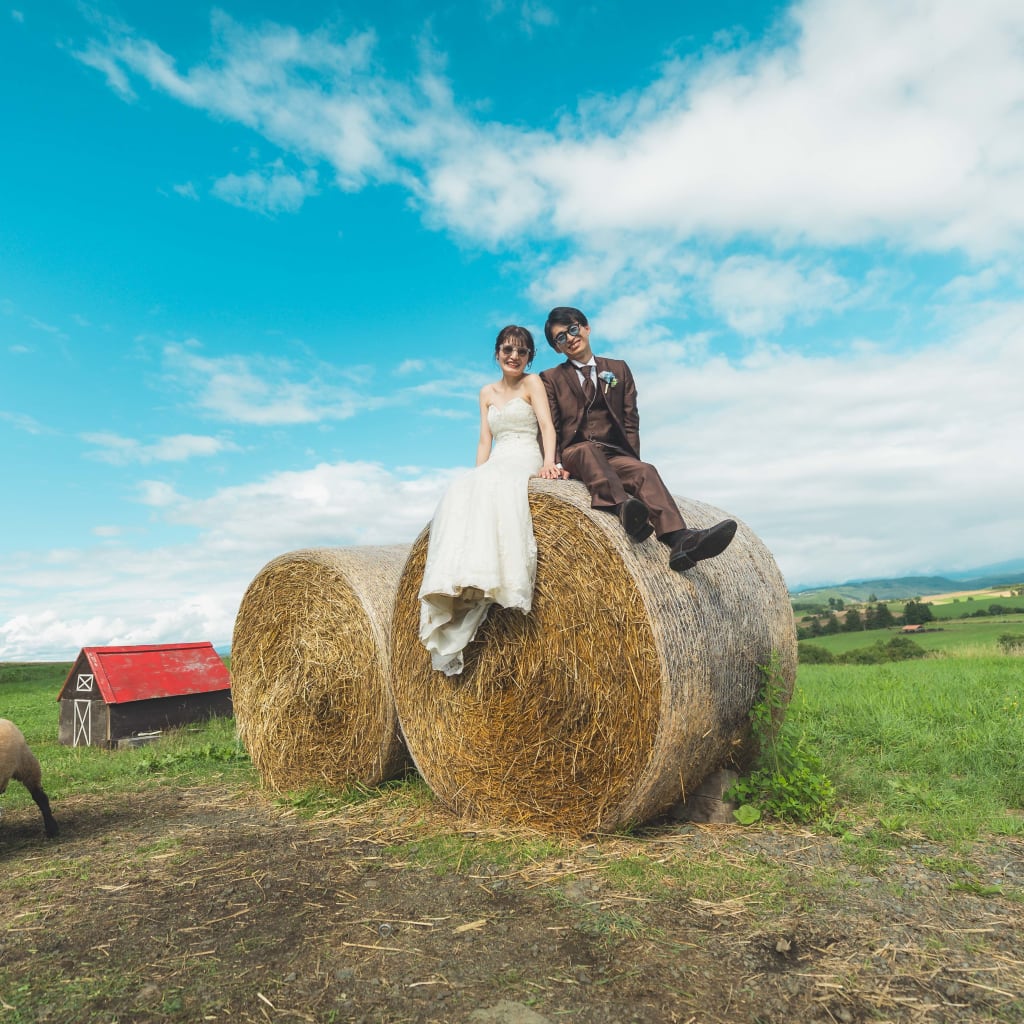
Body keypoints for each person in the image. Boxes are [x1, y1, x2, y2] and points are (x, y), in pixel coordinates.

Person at [540, 306, 736, 573]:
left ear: (586, 328)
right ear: (557, 348)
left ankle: (681, 541)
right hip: (577, 452)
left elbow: (630, 419)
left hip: (613, 452)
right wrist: (555, 463)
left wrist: (631, 460)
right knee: (587, 450)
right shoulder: (550, 378)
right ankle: (624, 509)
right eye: (561, 337)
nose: (570, 338)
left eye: (573, 329)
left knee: (644, 471)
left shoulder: (618, 370)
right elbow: (549, 423)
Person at [419, 325, 560, 676]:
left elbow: (547, 427)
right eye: (508, 350)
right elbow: (485, 440)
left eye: (522, 351)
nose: (514, 357)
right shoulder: (485, 393)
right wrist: (476, 476)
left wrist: (547, 462)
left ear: (529, 357)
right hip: (498, 459)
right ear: (496, 353)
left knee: (497, 484)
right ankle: (466, 578)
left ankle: (501, 577)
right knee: (464, 486)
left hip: (525, 454)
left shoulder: (532, 384)